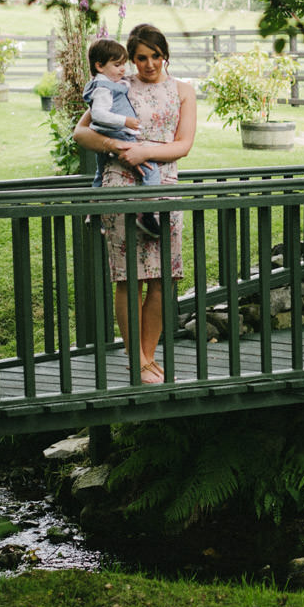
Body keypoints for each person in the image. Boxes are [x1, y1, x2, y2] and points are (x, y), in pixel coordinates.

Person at [73, 24, 197, 384]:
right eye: (141, 57)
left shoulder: (183, 91)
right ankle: (137, 360)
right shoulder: (118, 85)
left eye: (155, 56)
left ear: (165, 55)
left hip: (164, 185)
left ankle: (148, 357)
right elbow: (81, 132)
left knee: (163, 278)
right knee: (130, 277)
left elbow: (183, 144)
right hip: (122, 184)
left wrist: (148, 151)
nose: (148, 64)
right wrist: (119, 148)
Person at [83, 37, 160, 236]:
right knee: (151, 170)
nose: (122, 69)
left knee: (100, 176)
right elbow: (99, 114)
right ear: (99, 66)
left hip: (106, 135)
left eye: (123, 64)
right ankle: (147, 213)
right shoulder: (103, 88)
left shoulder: (107, 83)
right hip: (118, 134)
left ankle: (94, 212)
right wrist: (124, 121)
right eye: (117, 65)